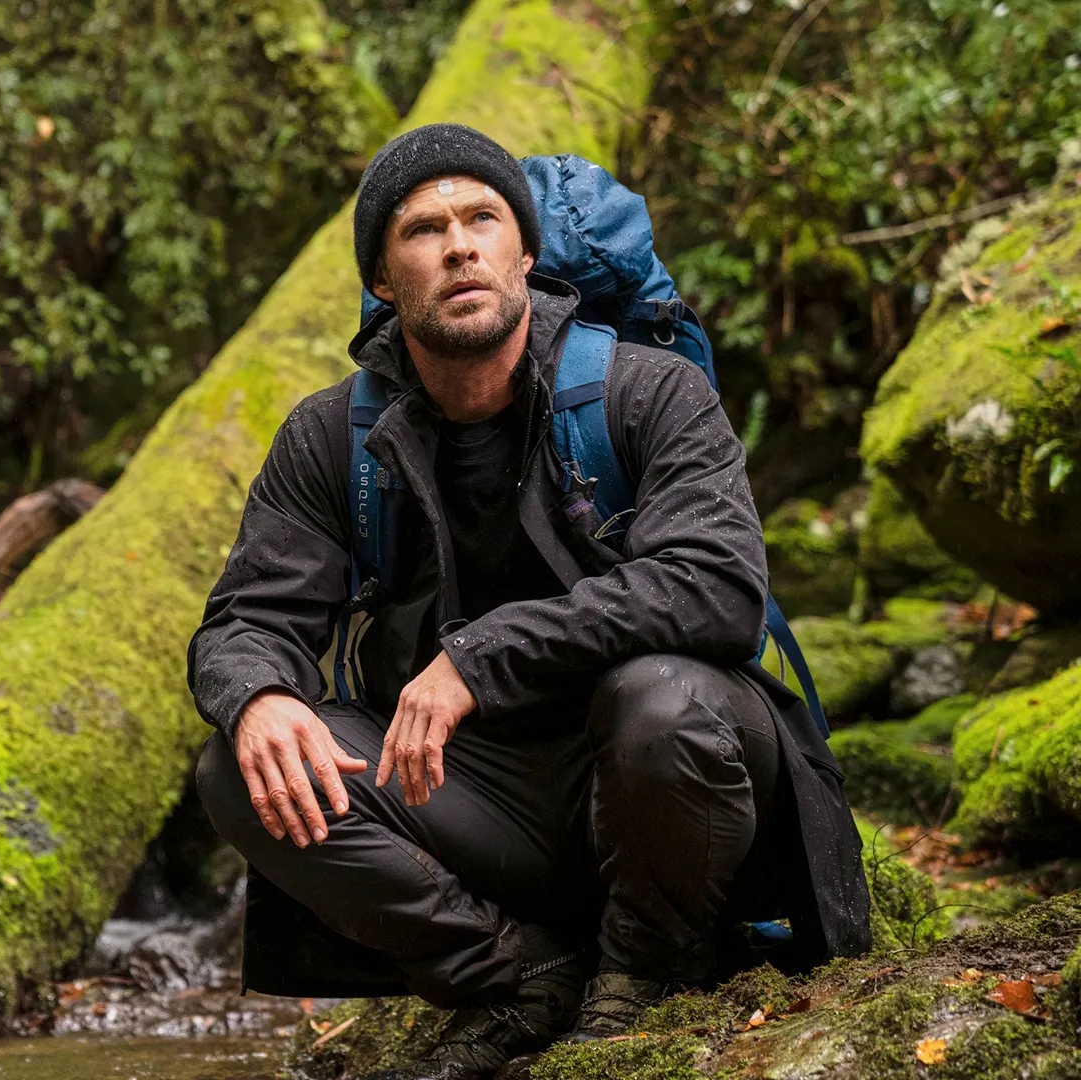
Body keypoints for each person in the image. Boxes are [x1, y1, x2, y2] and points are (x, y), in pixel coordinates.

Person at [185, 124, 871, 1079]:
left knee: (660, 699)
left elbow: (719, 587)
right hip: (476, 807)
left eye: (483, 218)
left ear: (527, 251)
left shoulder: (647, 391)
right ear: (383, 279)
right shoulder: (330, 438)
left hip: (672, 782)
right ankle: (518, 974)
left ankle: (648, 973)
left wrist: (480, 656)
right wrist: (259, 696)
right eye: (423, 229)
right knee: (241, 767)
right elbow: (245, 621)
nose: (459, 244)